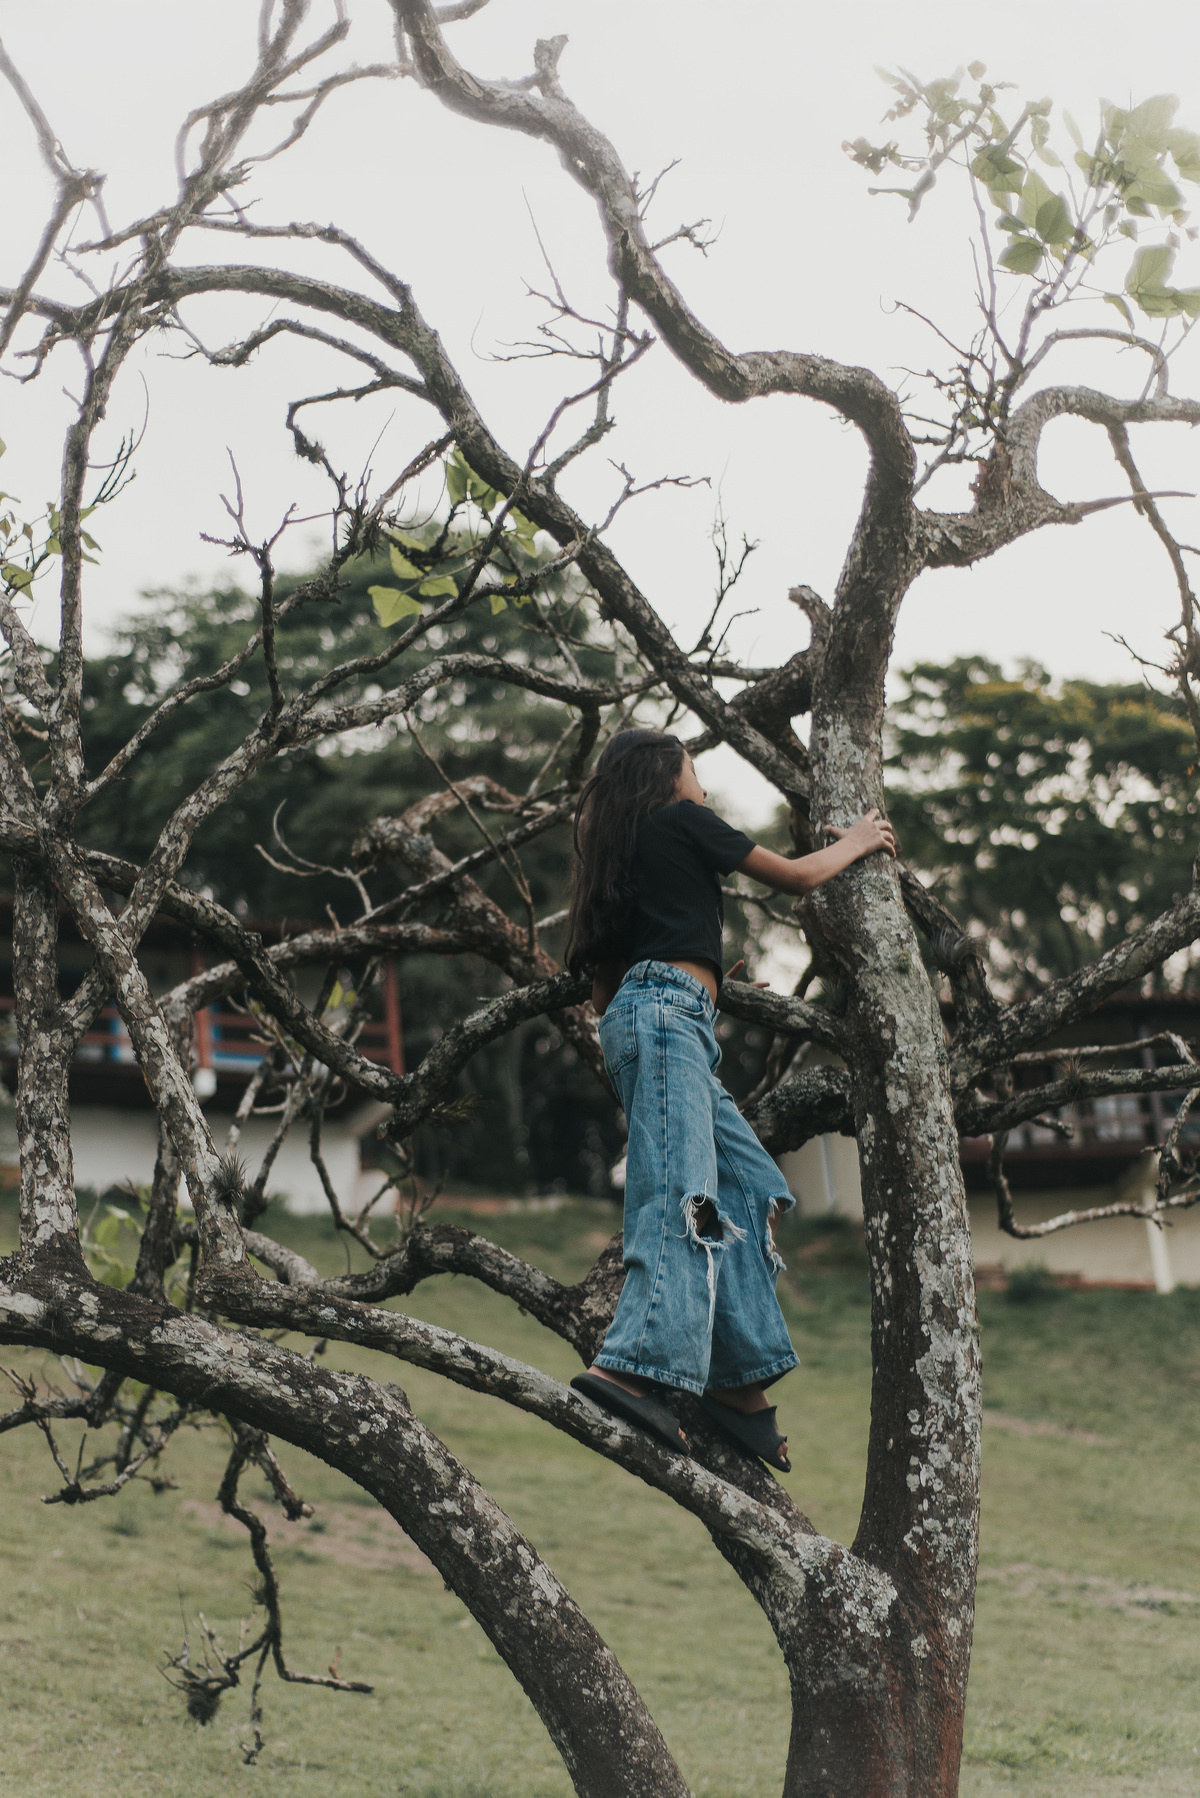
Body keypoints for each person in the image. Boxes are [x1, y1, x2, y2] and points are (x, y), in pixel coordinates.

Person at [564, 728, 895, 1472]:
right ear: (666, 776)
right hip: (666, 1021)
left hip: (658, 1019)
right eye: (695, 769)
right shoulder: (680, 820)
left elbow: (605, 992)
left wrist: (705, 984)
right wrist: (862, 839)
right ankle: (634, 1364)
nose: (702, 785)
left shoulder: (622, 858)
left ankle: (738, 1386)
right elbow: (799, 877)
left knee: (743, 1188)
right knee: (687, 1194)